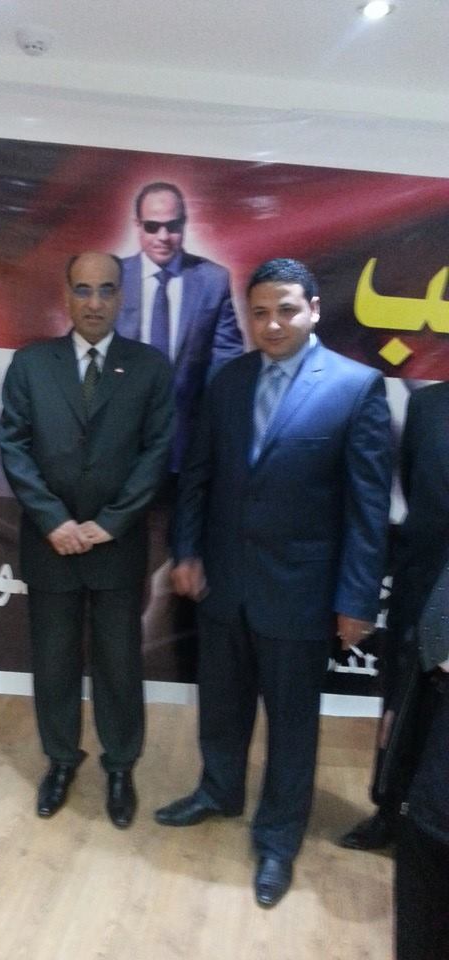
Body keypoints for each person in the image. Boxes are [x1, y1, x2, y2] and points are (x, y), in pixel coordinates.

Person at [155, 258, 392, 906]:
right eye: (259, 313)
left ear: (312, 308)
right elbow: (198, 474)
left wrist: (356, 599)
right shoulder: (228, 381)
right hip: (224, 583)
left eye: (286, 310)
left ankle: (279, 839)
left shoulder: (356, 387)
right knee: (222, 705)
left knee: (291, 725)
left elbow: (368, 508)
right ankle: (217, 791)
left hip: (300, 591)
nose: (272, 324)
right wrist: (187, 550)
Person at [0, 252, 173, 828]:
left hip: (116, 546)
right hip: (51, 544)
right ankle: (60, 760)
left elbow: (156, 452)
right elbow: (14, 447)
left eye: (105, 290)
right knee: (53, 661)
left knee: (119, 663)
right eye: (83, 289)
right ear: (67, 295)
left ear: (121, 296)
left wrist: (113, 521)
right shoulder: (31, 363)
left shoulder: (149, 367)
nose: (94, 302)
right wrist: (53, 519)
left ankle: (120, 766)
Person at [375, 382, 449, 959]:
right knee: (398, 710)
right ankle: (386, 811)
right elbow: (410, 492)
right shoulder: (425, 406)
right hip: (421, 582)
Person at [116, 181, 243, 471]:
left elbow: (226, 365)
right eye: (152, 226)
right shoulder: (113, 277)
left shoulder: (213, 281)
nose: (163, 237)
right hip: (118, 448)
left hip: (186, 447)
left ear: (184, 223)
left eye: (172, 226)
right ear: (137, 225)